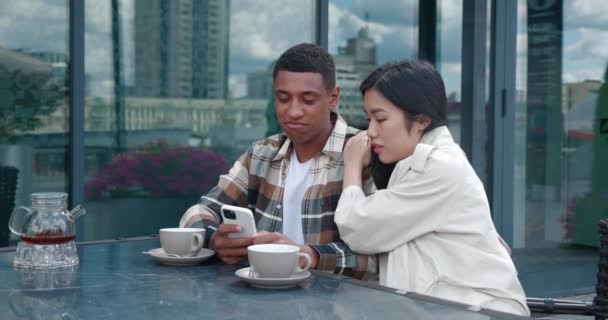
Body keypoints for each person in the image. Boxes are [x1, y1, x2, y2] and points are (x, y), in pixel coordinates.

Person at [334, 60, 530, 316]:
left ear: (422, 120)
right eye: (368, 118)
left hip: (479, 311)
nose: (369, 131)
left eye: (380, 119)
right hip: (443, 307)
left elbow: (358, 228)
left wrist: (351, 165)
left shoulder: (438, 166)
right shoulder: (409, 163)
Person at [180, 43, 375, 278]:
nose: (293, 112)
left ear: (333, 98)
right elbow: (197, 211)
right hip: (263, 300)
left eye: (308, 100)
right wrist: (213, 239)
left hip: (336, 307)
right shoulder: (261, 154)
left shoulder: (365, 153)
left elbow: (379, 257)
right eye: (283, 98)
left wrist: (306, 255)